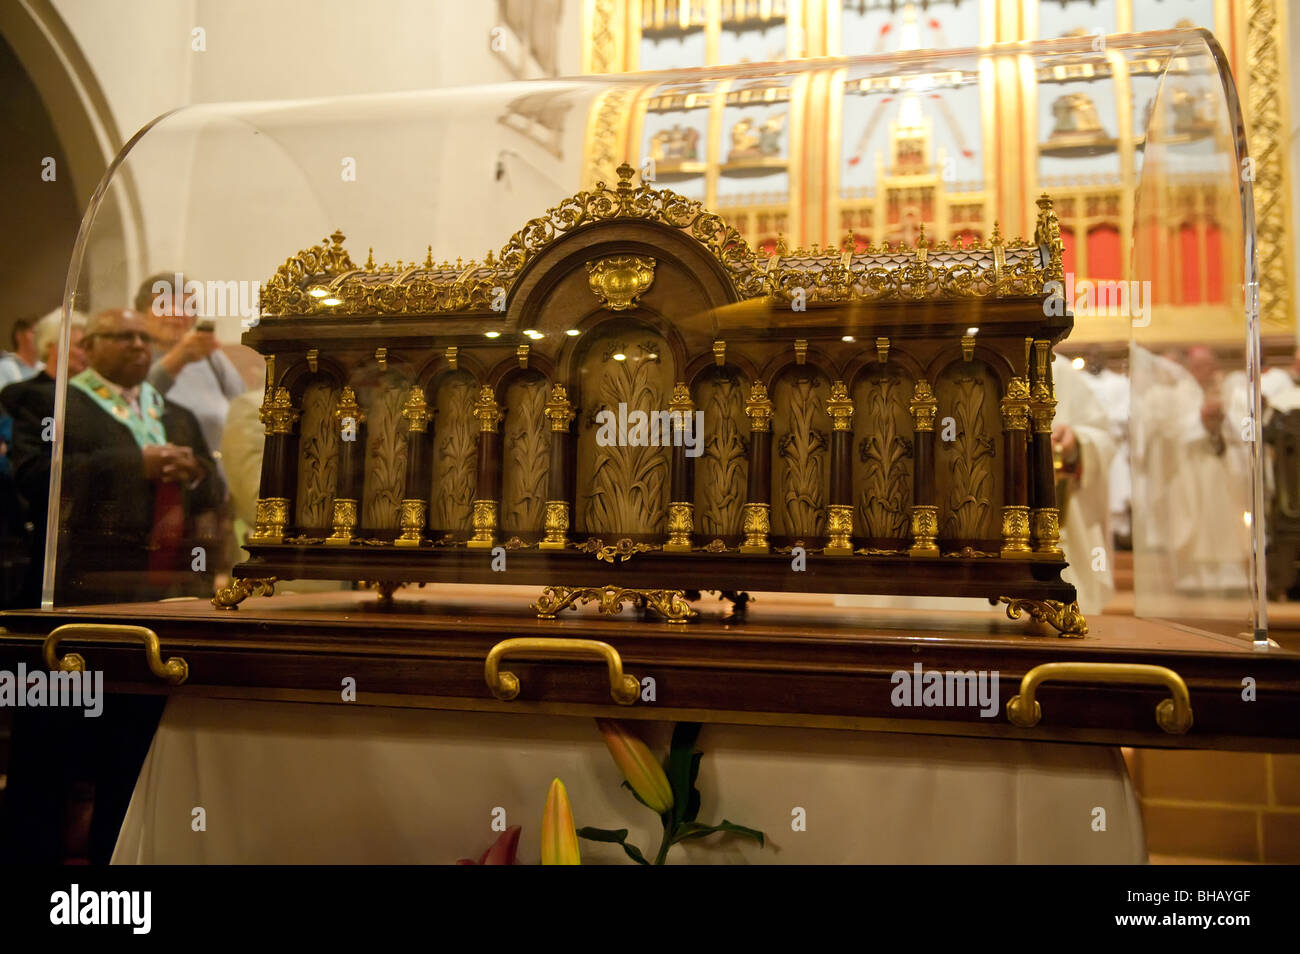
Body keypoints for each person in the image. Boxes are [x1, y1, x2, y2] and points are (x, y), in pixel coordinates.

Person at [52, 307, 225, 604]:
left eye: (144, 337)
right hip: (94, 579)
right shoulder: (58, 406)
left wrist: (194, 472)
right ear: (88, 346)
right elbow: (41, 476)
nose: (137, 344)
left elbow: (215, 492)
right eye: (123, 336)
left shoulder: (177, 415)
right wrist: (136, 464)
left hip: (177, 577)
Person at [1, 308, 89, 607]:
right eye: (80, 345)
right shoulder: (21, 395)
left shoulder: (96, 400)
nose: (87, 354)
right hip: (37, 518)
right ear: (53, 346)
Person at [135, 273, 247, 463]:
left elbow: (241, 406)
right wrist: (179, 357)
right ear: (141, 314)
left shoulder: (212, 357)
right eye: (162, 306)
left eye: (184, 307)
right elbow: (141, 403)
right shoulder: (135, 355)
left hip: (220, 472)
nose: (175, 314)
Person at [0, 318, 45, 387]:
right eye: (34, 332)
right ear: (19, 336)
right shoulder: (5, 366)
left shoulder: (43, 367)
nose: (40, 337)